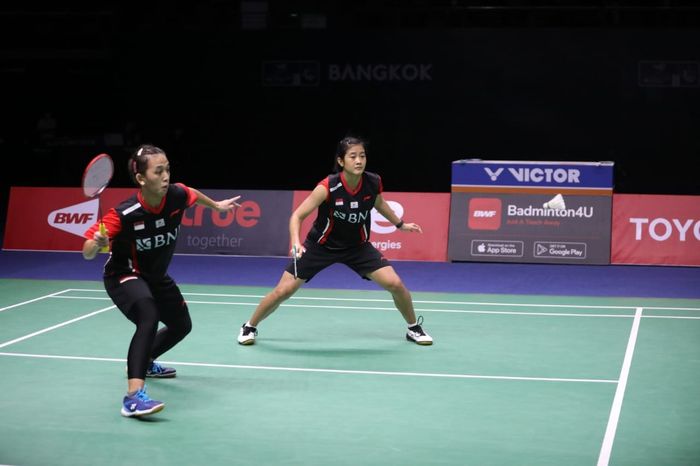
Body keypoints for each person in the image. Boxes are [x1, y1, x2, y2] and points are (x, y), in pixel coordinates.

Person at [82, 144, 241, 417]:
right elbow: (87, 252)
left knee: (182, 325)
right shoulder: (124, 214)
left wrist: (216, 207)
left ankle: (146, 360)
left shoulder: (176, 195)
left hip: (156, 277)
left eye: (167, 169)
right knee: (148, 315)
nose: (166, 176)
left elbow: (192, 193)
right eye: (159, 171)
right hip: (124, 274)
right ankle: (133, 397)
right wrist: (97, 243)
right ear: (142, 179)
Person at [237, 136, 433, 346]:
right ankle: (249, 326)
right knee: (283, 291)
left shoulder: (373, 182)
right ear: (341, 161)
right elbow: (297, 216)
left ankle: (413, 328)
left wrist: (400, 224)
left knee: (395, 283)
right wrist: (295, 241)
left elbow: (380, 204)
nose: (359, 161)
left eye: (362, 156)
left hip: (358, 247)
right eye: (353, 156)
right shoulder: (327, 186)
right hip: (320, 247)